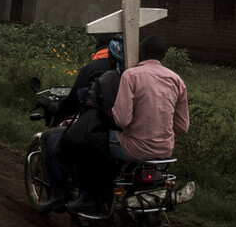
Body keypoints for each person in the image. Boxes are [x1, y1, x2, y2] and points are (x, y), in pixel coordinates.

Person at [40, 33, 113, 212]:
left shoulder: (91, 68)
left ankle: (59, 195)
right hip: (122, 128)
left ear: (98, 46)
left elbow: (73, 102)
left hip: (95, 126)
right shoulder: (129, 68)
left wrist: (56, 111)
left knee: (50, 138)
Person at [64, 35, 125, 213]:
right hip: (157, 142)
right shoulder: (139, 76)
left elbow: (114, 115)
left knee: (76, 143)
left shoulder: (105, 77)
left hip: (113, 131)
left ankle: (86, 197)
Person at [110, 35, 189, 163]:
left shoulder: (130, 75)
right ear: (163, 56)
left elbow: (122, 120)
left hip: (133, 149)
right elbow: (182, 127)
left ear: (142, 52)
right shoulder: (176, 80)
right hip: (165, 151)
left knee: (97, 139)